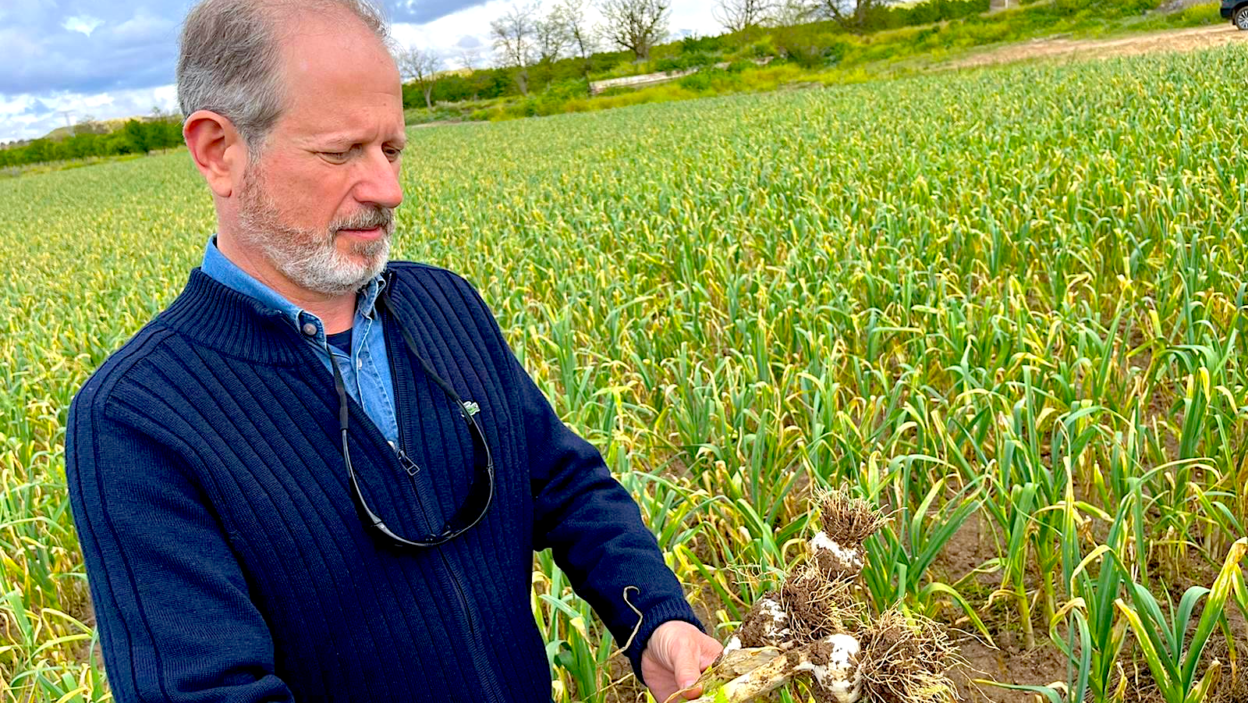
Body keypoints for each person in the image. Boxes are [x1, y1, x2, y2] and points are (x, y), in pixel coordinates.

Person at [63, 0, 722, 700]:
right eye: (341, 151)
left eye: (392, 148)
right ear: (218, 151)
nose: (388, 189)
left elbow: (563, 483)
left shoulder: (445, 305)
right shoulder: (136, 419)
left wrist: (654, 617)